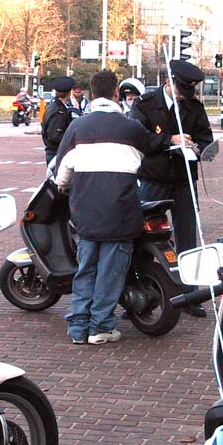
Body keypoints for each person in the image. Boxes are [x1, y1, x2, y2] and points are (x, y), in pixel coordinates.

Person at [55, 69, 149, 344]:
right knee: (111, 272)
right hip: (120, 213)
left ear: (92, 93)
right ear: (116, 94)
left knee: (86, 269)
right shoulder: (132, 128)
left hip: (85, 213)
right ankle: (101, 327)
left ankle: (78, 328)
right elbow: (144, 158)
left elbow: (62, 173)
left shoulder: (77, 128)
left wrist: (65, 185)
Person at [129, 60, 213, 317]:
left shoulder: (194, 107)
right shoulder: (144, 105)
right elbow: (138, 137)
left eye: (187, 92)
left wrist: (199, 148)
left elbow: (206, 137)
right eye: (180, 90)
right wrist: (169, 140)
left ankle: (190, 295)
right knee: (139, 235)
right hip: (153, 179)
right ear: (169, 81)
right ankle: (136, 290)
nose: (183, 97)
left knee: (187, 237)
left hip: (183, 179)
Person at [41, 76, 76, 165]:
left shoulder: (53, 107)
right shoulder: (58, 111)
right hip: (56, 153)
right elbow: (55, 136)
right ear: (69, 92)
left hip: (54, 152)